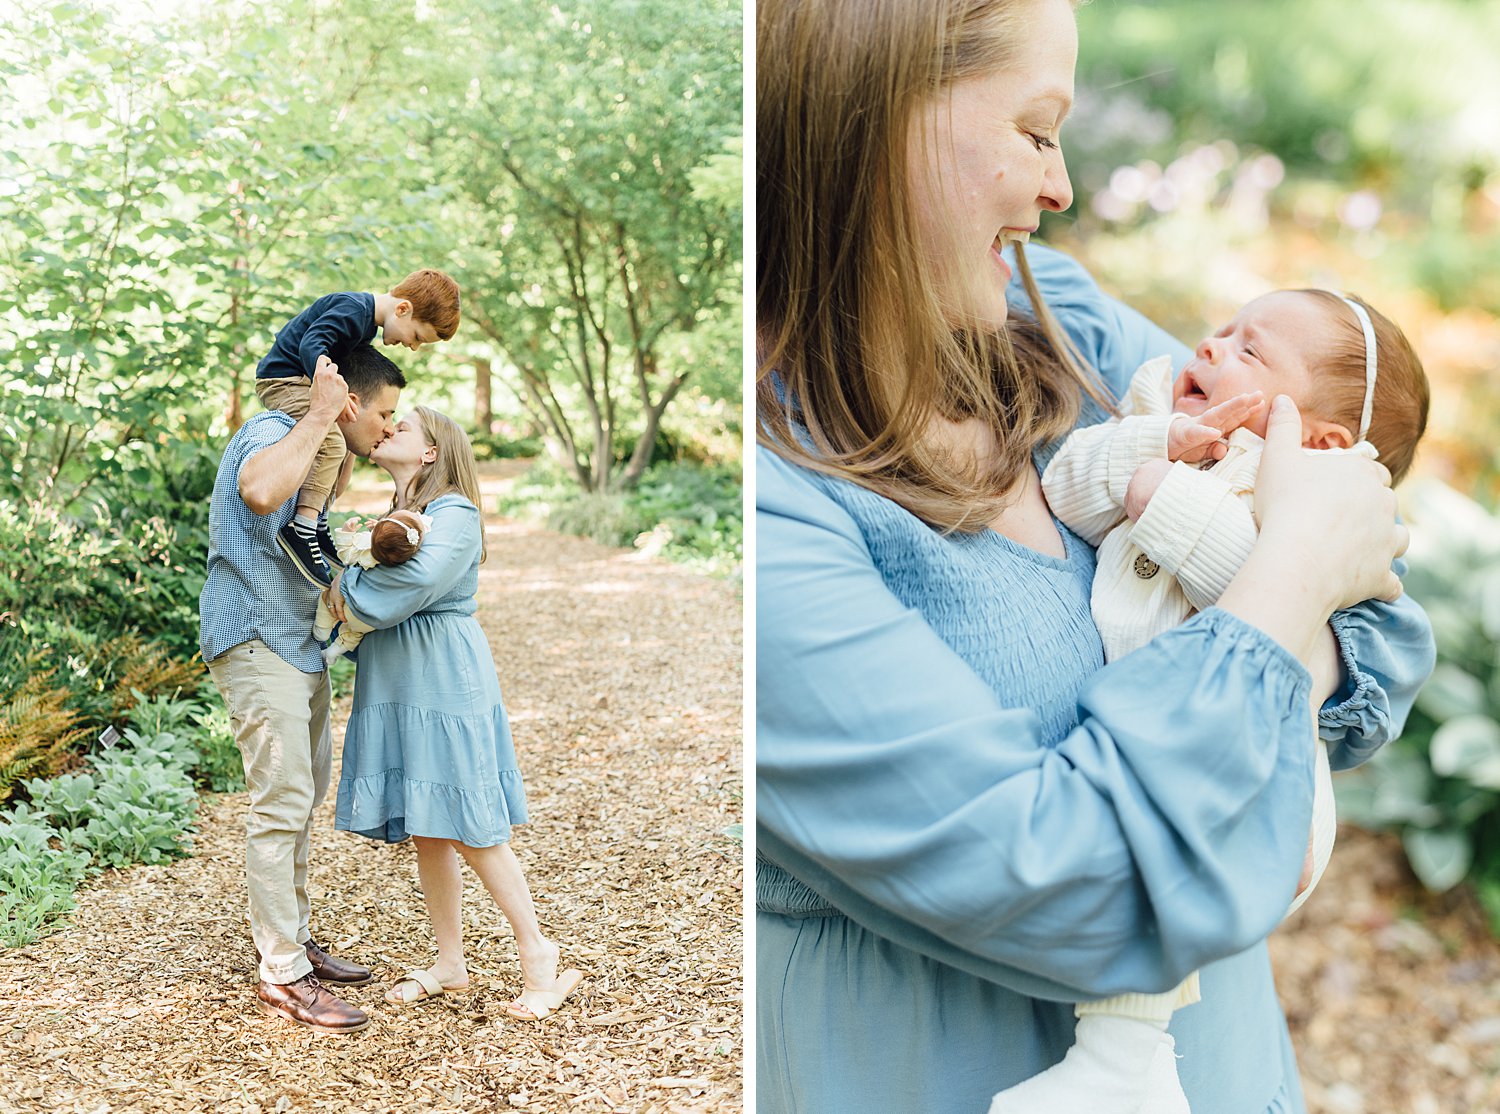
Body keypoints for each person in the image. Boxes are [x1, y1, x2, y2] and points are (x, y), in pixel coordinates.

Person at [754, 1, 1437, 1112]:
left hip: (1230, 1072)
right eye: (1036, 129)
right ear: (873, 120)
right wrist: (1285, 589)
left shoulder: (1046, 313)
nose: (1061, 187)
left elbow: (1382, 613)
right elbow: (1091, 888)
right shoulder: (777, 505)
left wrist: (1293, 578)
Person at [992, 291, 1429, 1112]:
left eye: (1251, 352)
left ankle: (1117, 1064)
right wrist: (1148, 454)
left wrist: (1168, 499)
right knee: (1157, 872)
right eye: (1225, 330)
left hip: (1255, 757)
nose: (1212, 345)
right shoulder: (1162, 424)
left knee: (1170, 876)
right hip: (1174, 728)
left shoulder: (1288, 499)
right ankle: (1137, 1072)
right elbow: (1067, 491)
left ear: (1321, 440)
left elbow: (1270, 588)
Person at [321, 406, 584, 1020]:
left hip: (441, 672)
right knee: (429, 826)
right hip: (397, 674)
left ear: (432, 453)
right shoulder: (398, 515)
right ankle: (450, 962)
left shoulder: (455, 515)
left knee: (469, 819)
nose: (387, 430)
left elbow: (402, 592)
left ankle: (539, 956)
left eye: (403, 427)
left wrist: (341, 593)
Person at [200, 343, 406, 1035]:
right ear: (349, 401)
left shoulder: (321, 449)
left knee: (301, 795)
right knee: (281, 800)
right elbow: (260, 492)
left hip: (295, 642)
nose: (386, 428)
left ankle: (290, 939)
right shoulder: (274, 432)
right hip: (257, 636)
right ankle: (282, 973)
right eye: (383, 413)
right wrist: (320, 416)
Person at [255, 268, 461, 586]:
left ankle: (319, 519)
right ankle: (301, 529)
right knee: (334, 443)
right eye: (418, 337)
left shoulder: (364, 325)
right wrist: (331, 392)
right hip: (285, 379)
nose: (414, 346)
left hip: (304, 381)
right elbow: (311, 345)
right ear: (403, 309)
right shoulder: (354, 310)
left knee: (347, 445)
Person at [312, 509, 434, 665]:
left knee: (327, 597)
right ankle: (333, 652)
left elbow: (345, 554)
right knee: (354, 633)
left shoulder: (368, 551)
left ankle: (321, 630)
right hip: (369, 619)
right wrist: (384, 534)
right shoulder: (408, 558)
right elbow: (393, 544)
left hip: (350, 605)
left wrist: (346, 532)